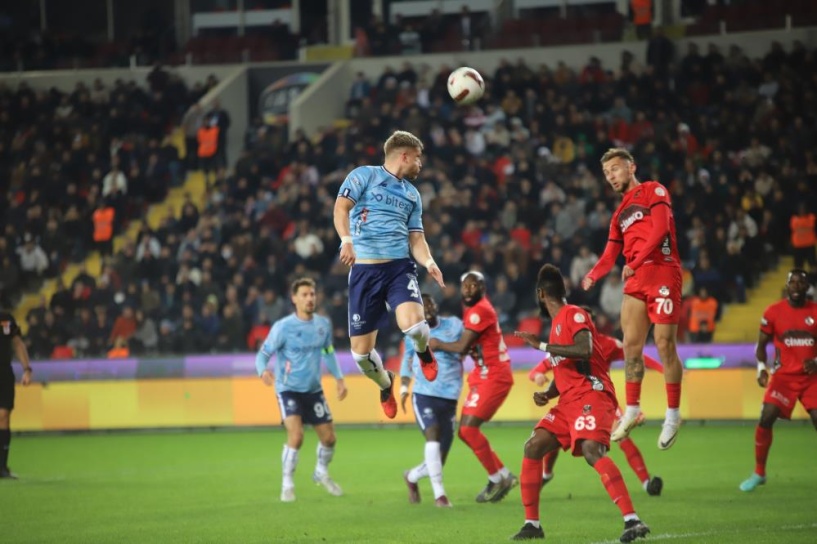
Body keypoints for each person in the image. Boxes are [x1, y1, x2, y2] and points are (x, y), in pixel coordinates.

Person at [511, 265, 650, 542]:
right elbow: (564, 365)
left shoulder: (574, 313)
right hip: (568, 400)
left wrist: (540, 347)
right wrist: (549, 395)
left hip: (591, 393)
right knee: (533, 445)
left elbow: (584, 349)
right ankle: (532, 525)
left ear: (540, 294)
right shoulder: (556, 326)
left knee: (591, 450)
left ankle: (632, 520)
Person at [333, 130, 444, 420]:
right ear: (404, 156)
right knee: (361, 356)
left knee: (416, 328)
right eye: (418, 159)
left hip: (398, 267)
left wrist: (429, 261)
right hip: (364, 272)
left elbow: (416, 239)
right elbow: (340, 208)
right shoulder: (363, 176)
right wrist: (346, 240)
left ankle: (424, 353)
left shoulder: (412, 195)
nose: (420, 165)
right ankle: (385, 384)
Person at [582, 148, 683, 450]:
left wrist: (636, 260)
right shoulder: (618, 215)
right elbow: (610, 254)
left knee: (665, 344)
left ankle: (673, 414)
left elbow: (661, 228)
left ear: (631, 167)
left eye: (615, 169)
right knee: (630, 347)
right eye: (606, 173)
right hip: (637, 278)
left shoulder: (654, 189)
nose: (611, 176)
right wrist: (593, 275)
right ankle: (633, 409)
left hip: (663, 271)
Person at [528, 309, 664, 496]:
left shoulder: (607, 344)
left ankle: (646, 482)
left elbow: (636, 357)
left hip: (599, 397)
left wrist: (665, 370)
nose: (584, 325)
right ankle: (547, 473)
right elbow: (537, 370)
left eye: (588, 320)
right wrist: (538, 377)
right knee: (552, 437)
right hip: (572, 400)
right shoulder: (564, 344)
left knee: (622, 437)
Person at [255, 278, 348, 502]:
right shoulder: (283, 327)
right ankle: (287, 484)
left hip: (313, 390)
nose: (309, 298)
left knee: (330, 439)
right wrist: (263, 371)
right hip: (288, 389)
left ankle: (321, 473)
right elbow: (263, 354)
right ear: (294, 299)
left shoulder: (323, 325)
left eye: (312, 294)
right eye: (304, 295)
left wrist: (339, 379)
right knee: (296, 437)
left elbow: (328, 351)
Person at [430, 271, 517, 503]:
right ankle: (502, 476)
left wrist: (437, 344)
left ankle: (499, 477)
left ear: (482, 287)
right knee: (466, 432)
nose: (467, 290)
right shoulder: (471, 307)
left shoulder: (480, 311)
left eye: (473, 285)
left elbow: (461, 347)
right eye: (464, 286)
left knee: (468, 430)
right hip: (483, 374)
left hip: (495, 374)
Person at [739, 269, 817, 492]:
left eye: (801, 283)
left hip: (812, 379)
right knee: (767, 417)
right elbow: (761, 346)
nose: (796, 286)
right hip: (783, 378)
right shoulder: (773, 312)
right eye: (792, 282)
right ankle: (759, 472)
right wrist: (761, 368)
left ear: (807, 287)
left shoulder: (815, 312)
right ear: (786, 286)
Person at [400, 294, 463, 507]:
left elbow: (468, 344)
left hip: (450, 398)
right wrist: (402, 388)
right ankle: (440, 496)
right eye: (422, 306)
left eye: (429, 304)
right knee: (432, 434)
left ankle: (411, 476)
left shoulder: (454, 325)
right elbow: (406, 361)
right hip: (423, 394)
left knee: (439, 459)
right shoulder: (414, 333)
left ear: (435, 306)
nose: (427, 308)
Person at [0, 311, 33, 479]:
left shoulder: (6, 319)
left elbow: (18, 343)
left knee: (4, 415)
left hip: (4, 373)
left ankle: (2, 467)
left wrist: (27, 369)